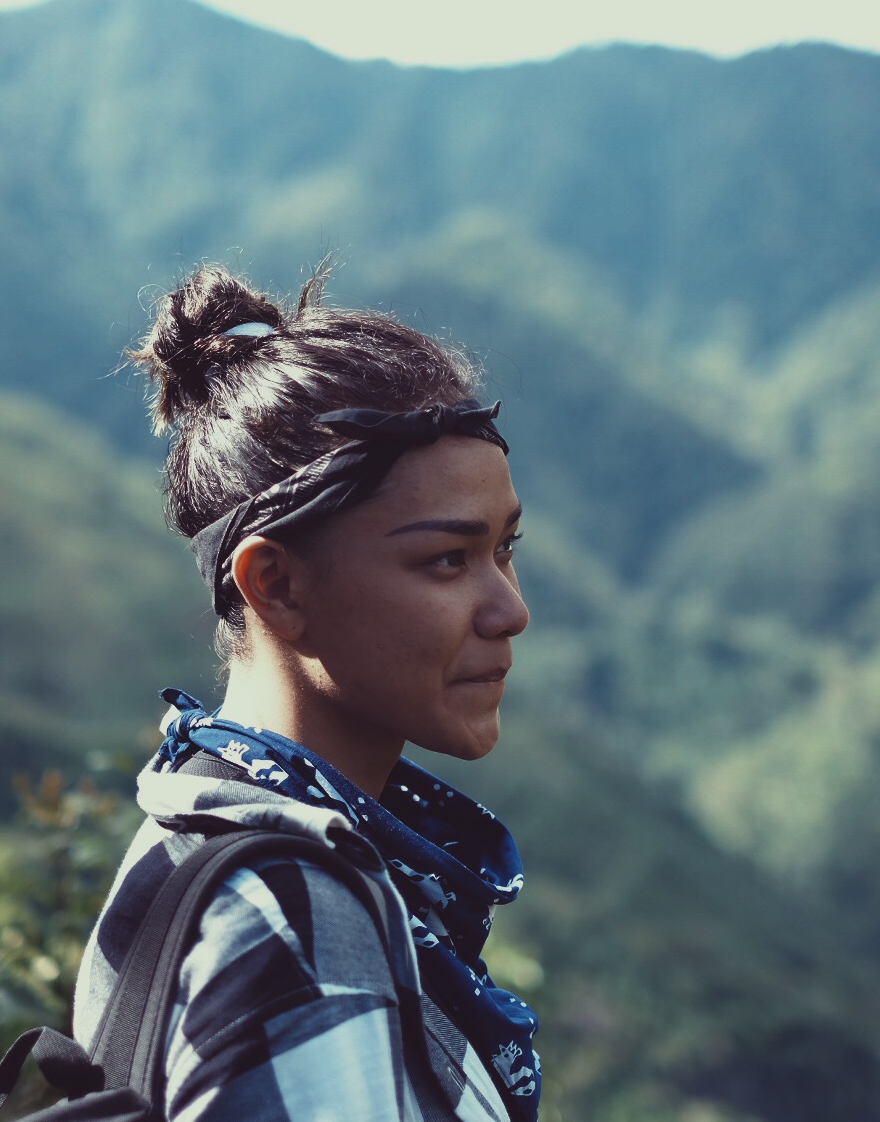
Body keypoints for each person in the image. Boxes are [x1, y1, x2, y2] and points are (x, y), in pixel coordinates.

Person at [71, 262, 541, 1122]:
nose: (510, 611)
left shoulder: (187, 830)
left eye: (505, 549)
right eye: (447, 560)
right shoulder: (294, 926)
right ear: (277, 586)